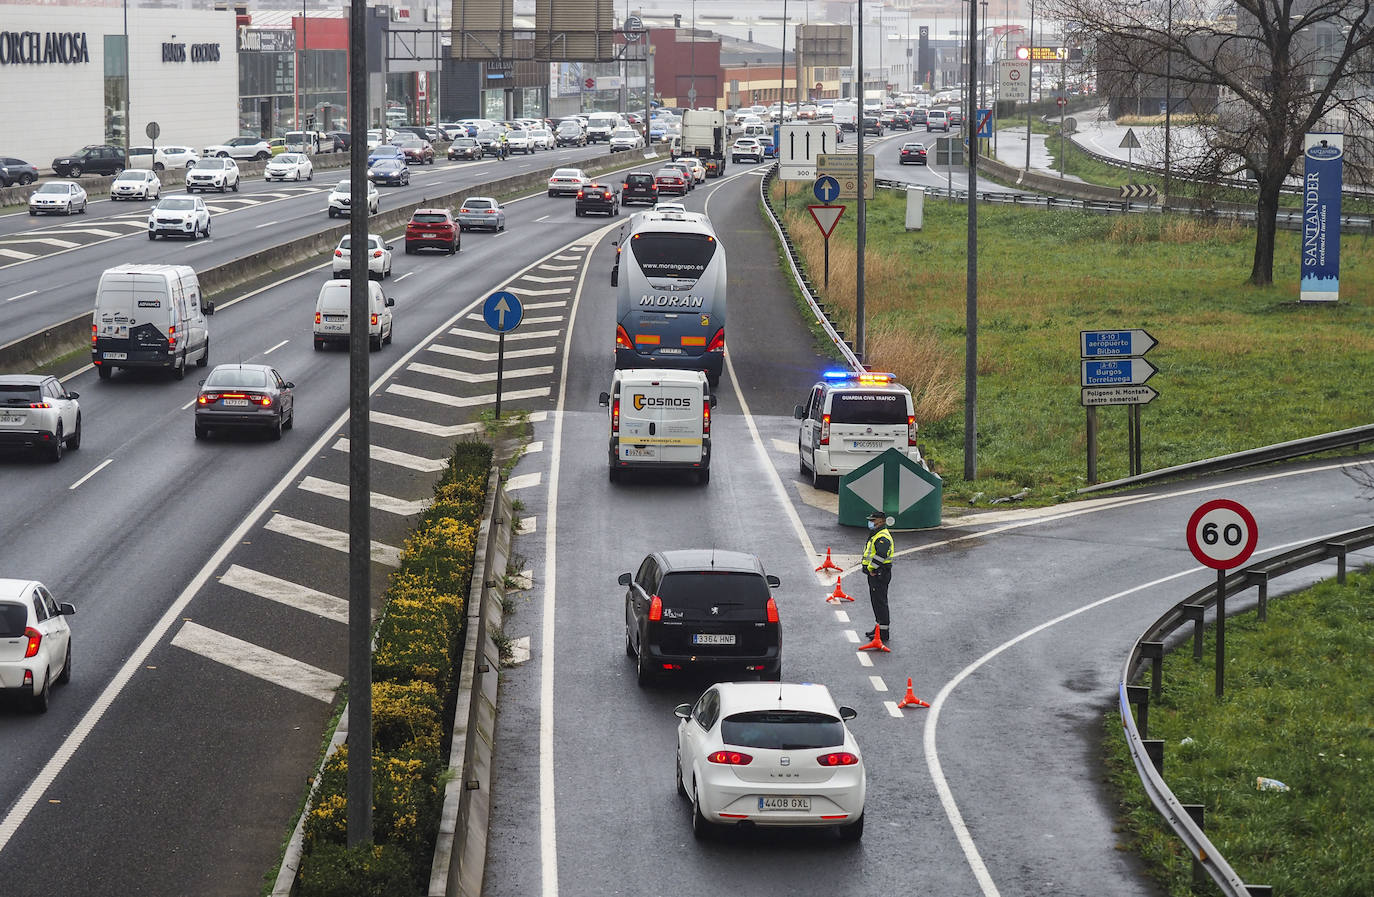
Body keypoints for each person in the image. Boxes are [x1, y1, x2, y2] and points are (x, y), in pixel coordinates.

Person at [862, 511, 895, 644]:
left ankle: (883, 633)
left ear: (881, 521)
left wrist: (871, 568)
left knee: (880, 603)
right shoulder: (876, 534)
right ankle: (878, 628)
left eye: (873, 520)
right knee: (876, 602)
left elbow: (881, 554)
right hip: (876, 574)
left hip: (879, 574)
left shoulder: (882, 536)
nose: (871, 522)